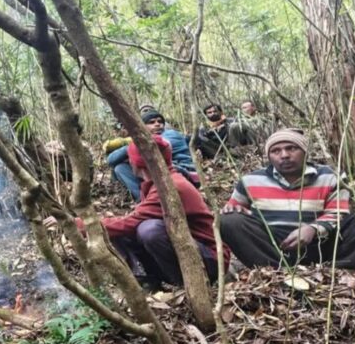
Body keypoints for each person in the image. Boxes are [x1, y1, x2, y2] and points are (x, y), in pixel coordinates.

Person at [51, 135, 225, 290]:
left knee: (148, 229)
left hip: (211, 259)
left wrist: (74, 223)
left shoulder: (169, 186)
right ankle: (149, 280)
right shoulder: (158, 182)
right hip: (199, 253)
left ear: (137, 162)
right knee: (122, 228)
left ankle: (184, 284)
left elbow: (130, 223)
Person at [220, 128, 355, 269]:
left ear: (305, 152)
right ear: (269, 156)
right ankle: (273, 270)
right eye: (276, 151)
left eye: (291, 148)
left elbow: (338, 213)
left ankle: (337, 267)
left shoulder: (331, 176)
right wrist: (232, 209)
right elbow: (234, 209)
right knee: (228, 221)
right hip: (274, 245)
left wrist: (313, 229)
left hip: (322, 243)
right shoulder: (250, 180)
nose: (284, 155)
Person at [106, 109, 197, 201]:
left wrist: (133, 145)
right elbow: (111, 160)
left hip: (183, 171)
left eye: (160, 122)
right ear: (142, 127)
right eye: (151, 122)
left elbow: (152, 144)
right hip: (161, 172)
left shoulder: (171, 134)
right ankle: (143, 199)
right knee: (120, 168)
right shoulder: (143, 141)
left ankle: (150, 201)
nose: (157, 124)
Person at [194, 103, 258, 158]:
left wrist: (224, 127)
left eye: (215, 111)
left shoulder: (231, 121)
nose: (213, 113)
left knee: (235, 126)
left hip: (234, 148)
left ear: (220, 112)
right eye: (209, 112)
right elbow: (203, 141)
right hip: (217, 151)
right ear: (206, 115)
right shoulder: (204, 128)